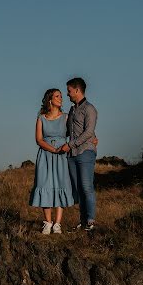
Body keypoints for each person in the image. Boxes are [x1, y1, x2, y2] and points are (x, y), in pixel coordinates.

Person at [29, 89, 75, 234]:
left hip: (62, 154)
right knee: (44, 184)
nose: (61, 98)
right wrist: (53, 149)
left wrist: (91, 137)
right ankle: (48, 222)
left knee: (61, 183)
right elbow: (39, 140)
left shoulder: (66, 117)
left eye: (61, 96)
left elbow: (75, 132)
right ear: (50, 99)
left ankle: (57, 224)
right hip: (45, 155)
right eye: (57, 96)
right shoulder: (41, 118)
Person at [58, 77, 98, 231]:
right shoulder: (72, 110)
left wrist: (70, 144)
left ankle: (91, 221)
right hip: (72, 155)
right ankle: (83, 221)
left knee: (87, 187)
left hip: (85, 152)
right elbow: (69, 131)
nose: (67, 94)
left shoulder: (90, 109)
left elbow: (89, 132)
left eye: (69, 91)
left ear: (77, 90)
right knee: (78, 189)